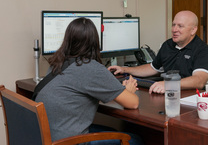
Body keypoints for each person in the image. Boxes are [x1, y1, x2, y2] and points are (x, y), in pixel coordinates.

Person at [35, 17, 144, 145]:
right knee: (135, 140)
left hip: (47, 137)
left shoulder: (57, 63)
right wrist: (128, 91)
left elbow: (75, 92)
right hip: (68, 142)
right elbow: (133, 103)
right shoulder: (91, 68)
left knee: (112, 131)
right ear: (95, 42)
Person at [108, 10, 208, 94]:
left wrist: (169, 85)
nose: (174, 29)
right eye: (173, 25)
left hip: (192, 98)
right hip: (169, 95)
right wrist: (124, 69)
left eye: (180, 26)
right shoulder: (168, 45)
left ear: (193, 30)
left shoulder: (203, 50)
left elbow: (199, 80)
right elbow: (152, 68)